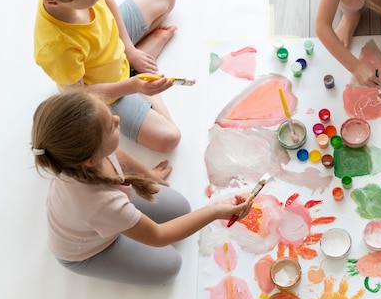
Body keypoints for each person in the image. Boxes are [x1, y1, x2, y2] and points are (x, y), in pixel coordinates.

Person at [30, 91, 253, 286]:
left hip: (106, 210)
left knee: (181, 208)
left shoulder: (82, 160)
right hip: (88, 251)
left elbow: (115, 155)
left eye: (110, 115)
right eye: (111, 127)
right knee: (170, 266)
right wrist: (215, 211)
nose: (117, 119)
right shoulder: (99, 203)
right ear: (91, 158)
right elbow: (158, 235)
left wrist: (148, 174)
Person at [17, 0, 181, 153]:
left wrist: (129, 50)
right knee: (170, 138)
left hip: (117, 40)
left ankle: (138, 60)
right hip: (110, 92)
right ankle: (141, 70)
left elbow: (107, 0)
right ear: (53, 2)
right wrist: (134, 86)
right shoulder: (57, 47)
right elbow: (80, 95)